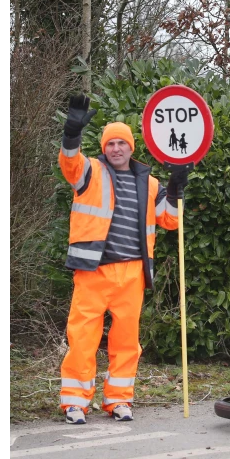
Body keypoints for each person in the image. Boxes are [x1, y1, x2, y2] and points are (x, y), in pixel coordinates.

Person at [56, 94, 193, 424]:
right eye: (111, 143)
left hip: (132, 273)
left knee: (127, 342)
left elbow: (171, 219)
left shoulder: (151, 182)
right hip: (93, 271)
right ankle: (75, 402)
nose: (116, 148)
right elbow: (69, 163)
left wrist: (176, 186)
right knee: (83, 338)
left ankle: (119, 400)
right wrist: (71, 134)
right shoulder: (90, 171)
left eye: (122, 143)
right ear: (104, 147)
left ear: (132, 147)